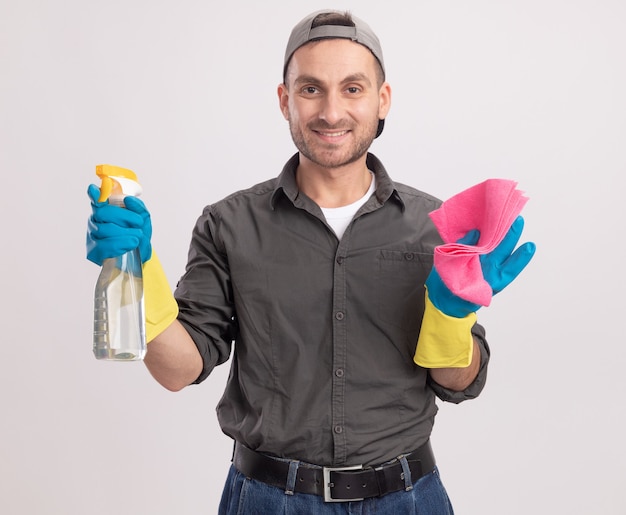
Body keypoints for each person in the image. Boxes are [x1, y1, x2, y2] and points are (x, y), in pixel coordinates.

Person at [86, 9, 536, 514]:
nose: (331, 112)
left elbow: (459, 382)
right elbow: (178, 369)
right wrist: (135, 269)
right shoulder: (229, 225)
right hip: (267, 500)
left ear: (381, 99)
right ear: (285, 101)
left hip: (408, 499)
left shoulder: (437, 226)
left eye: (352, 88)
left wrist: (452, 316)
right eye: (310, 89)